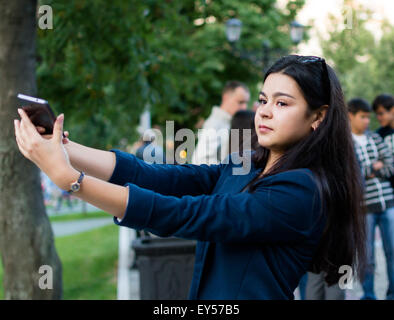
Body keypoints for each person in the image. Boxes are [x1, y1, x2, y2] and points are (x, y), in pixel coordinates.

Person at [14, 55, 366, 300]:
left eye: (283, 103)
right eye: (262, 100)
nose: (265, 112)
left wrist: (71, 181)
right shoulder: (246, 166)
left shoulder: (302, 189)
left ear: (317, 117)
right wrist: (65, 147)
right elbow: (160, 178)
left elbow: (191, 214)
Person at [348, 97, 394, 300]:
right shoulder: (345, 144)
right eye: (363, 117)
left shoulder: (375, 138)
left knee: (392, 253)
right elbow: (352, 174)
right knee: (366, 257)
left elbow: (391, 166)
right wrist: (372, 169)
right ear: (350, 116)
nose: (368, 121)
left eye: (369, 117)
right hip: (363, 208)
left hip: (388, 204)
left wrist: (373, 170)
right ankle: (368, 295)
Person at [191, 81, 250, 165]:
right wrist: (228, 171)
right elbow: (201, 160)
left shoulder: (230, 122)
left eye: (246, 103)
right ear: (225, 98)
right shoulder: (214, 124)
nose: (244, 107)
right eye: (240, 102)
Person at [372, 94, 394, 189]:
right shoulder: (378, 135)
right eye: (377, 114)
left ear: (392, 110)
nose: (378, 118)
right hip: (388, 187)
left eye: (381, 113)